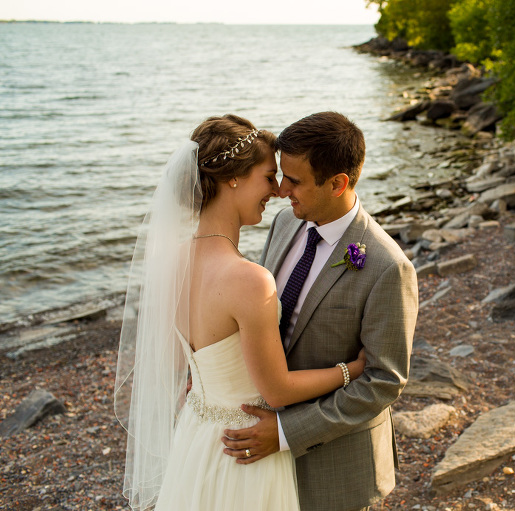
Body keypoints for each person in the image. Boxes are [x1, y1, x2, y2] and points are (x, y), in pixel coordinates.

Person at [114, 114, 366, 511]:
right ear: (233, 178)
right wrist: (351, 369)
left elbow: (179, 363)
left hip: (197, 438)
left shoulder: (173, 263)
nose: (278, 191)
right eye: (268, 177)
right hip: (247, 446)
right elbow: (277, 390)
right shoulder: (249, 280)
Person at [220, 111, 419, 511]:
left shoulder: (387, 267)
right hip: (263, 455)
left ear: (337, 183)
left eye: (294, 181)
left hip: (337, 468)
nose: (280, 190)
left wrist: (286, 432)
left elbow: (383, 381)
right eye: (281, 176)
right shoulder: (284, 224)